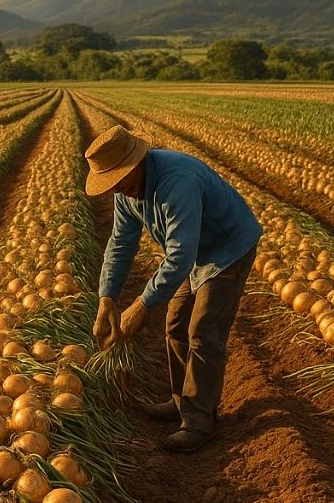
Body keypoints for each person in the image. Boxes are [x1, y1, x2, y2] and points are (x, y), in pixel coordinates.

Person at [86, 126, 262, 452]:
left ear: (135, 163)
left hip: (226, 249)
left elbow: (181, 254)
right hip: (192, 251)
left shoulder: (176, 181)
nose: (118, 189)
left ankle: (199, 422)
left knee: (204, 332)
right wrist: (106, 299)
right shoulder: (127, 192)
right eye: (111, 184)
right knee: (175, 324)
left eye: (120, 179)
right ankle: (182, 401)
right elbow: (120, 244)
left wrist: (142, 303)